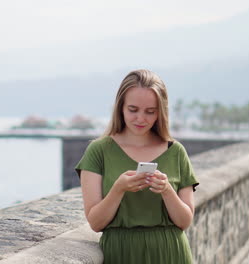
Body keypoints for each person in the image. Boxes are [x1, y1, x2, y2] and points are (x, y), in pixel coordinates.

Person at [75, 69, 199, 263]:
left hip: (172, 253)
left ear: (161, 113)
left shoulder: (176, 152)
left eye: (150, 112)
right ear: (120, 108)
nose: (141, 118)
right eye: (133, 110)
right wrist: (118, 189)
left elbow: (185, 222)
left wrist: (167, 191)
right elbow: (96, 223)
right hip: (121, 254)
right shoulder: (98, 151)